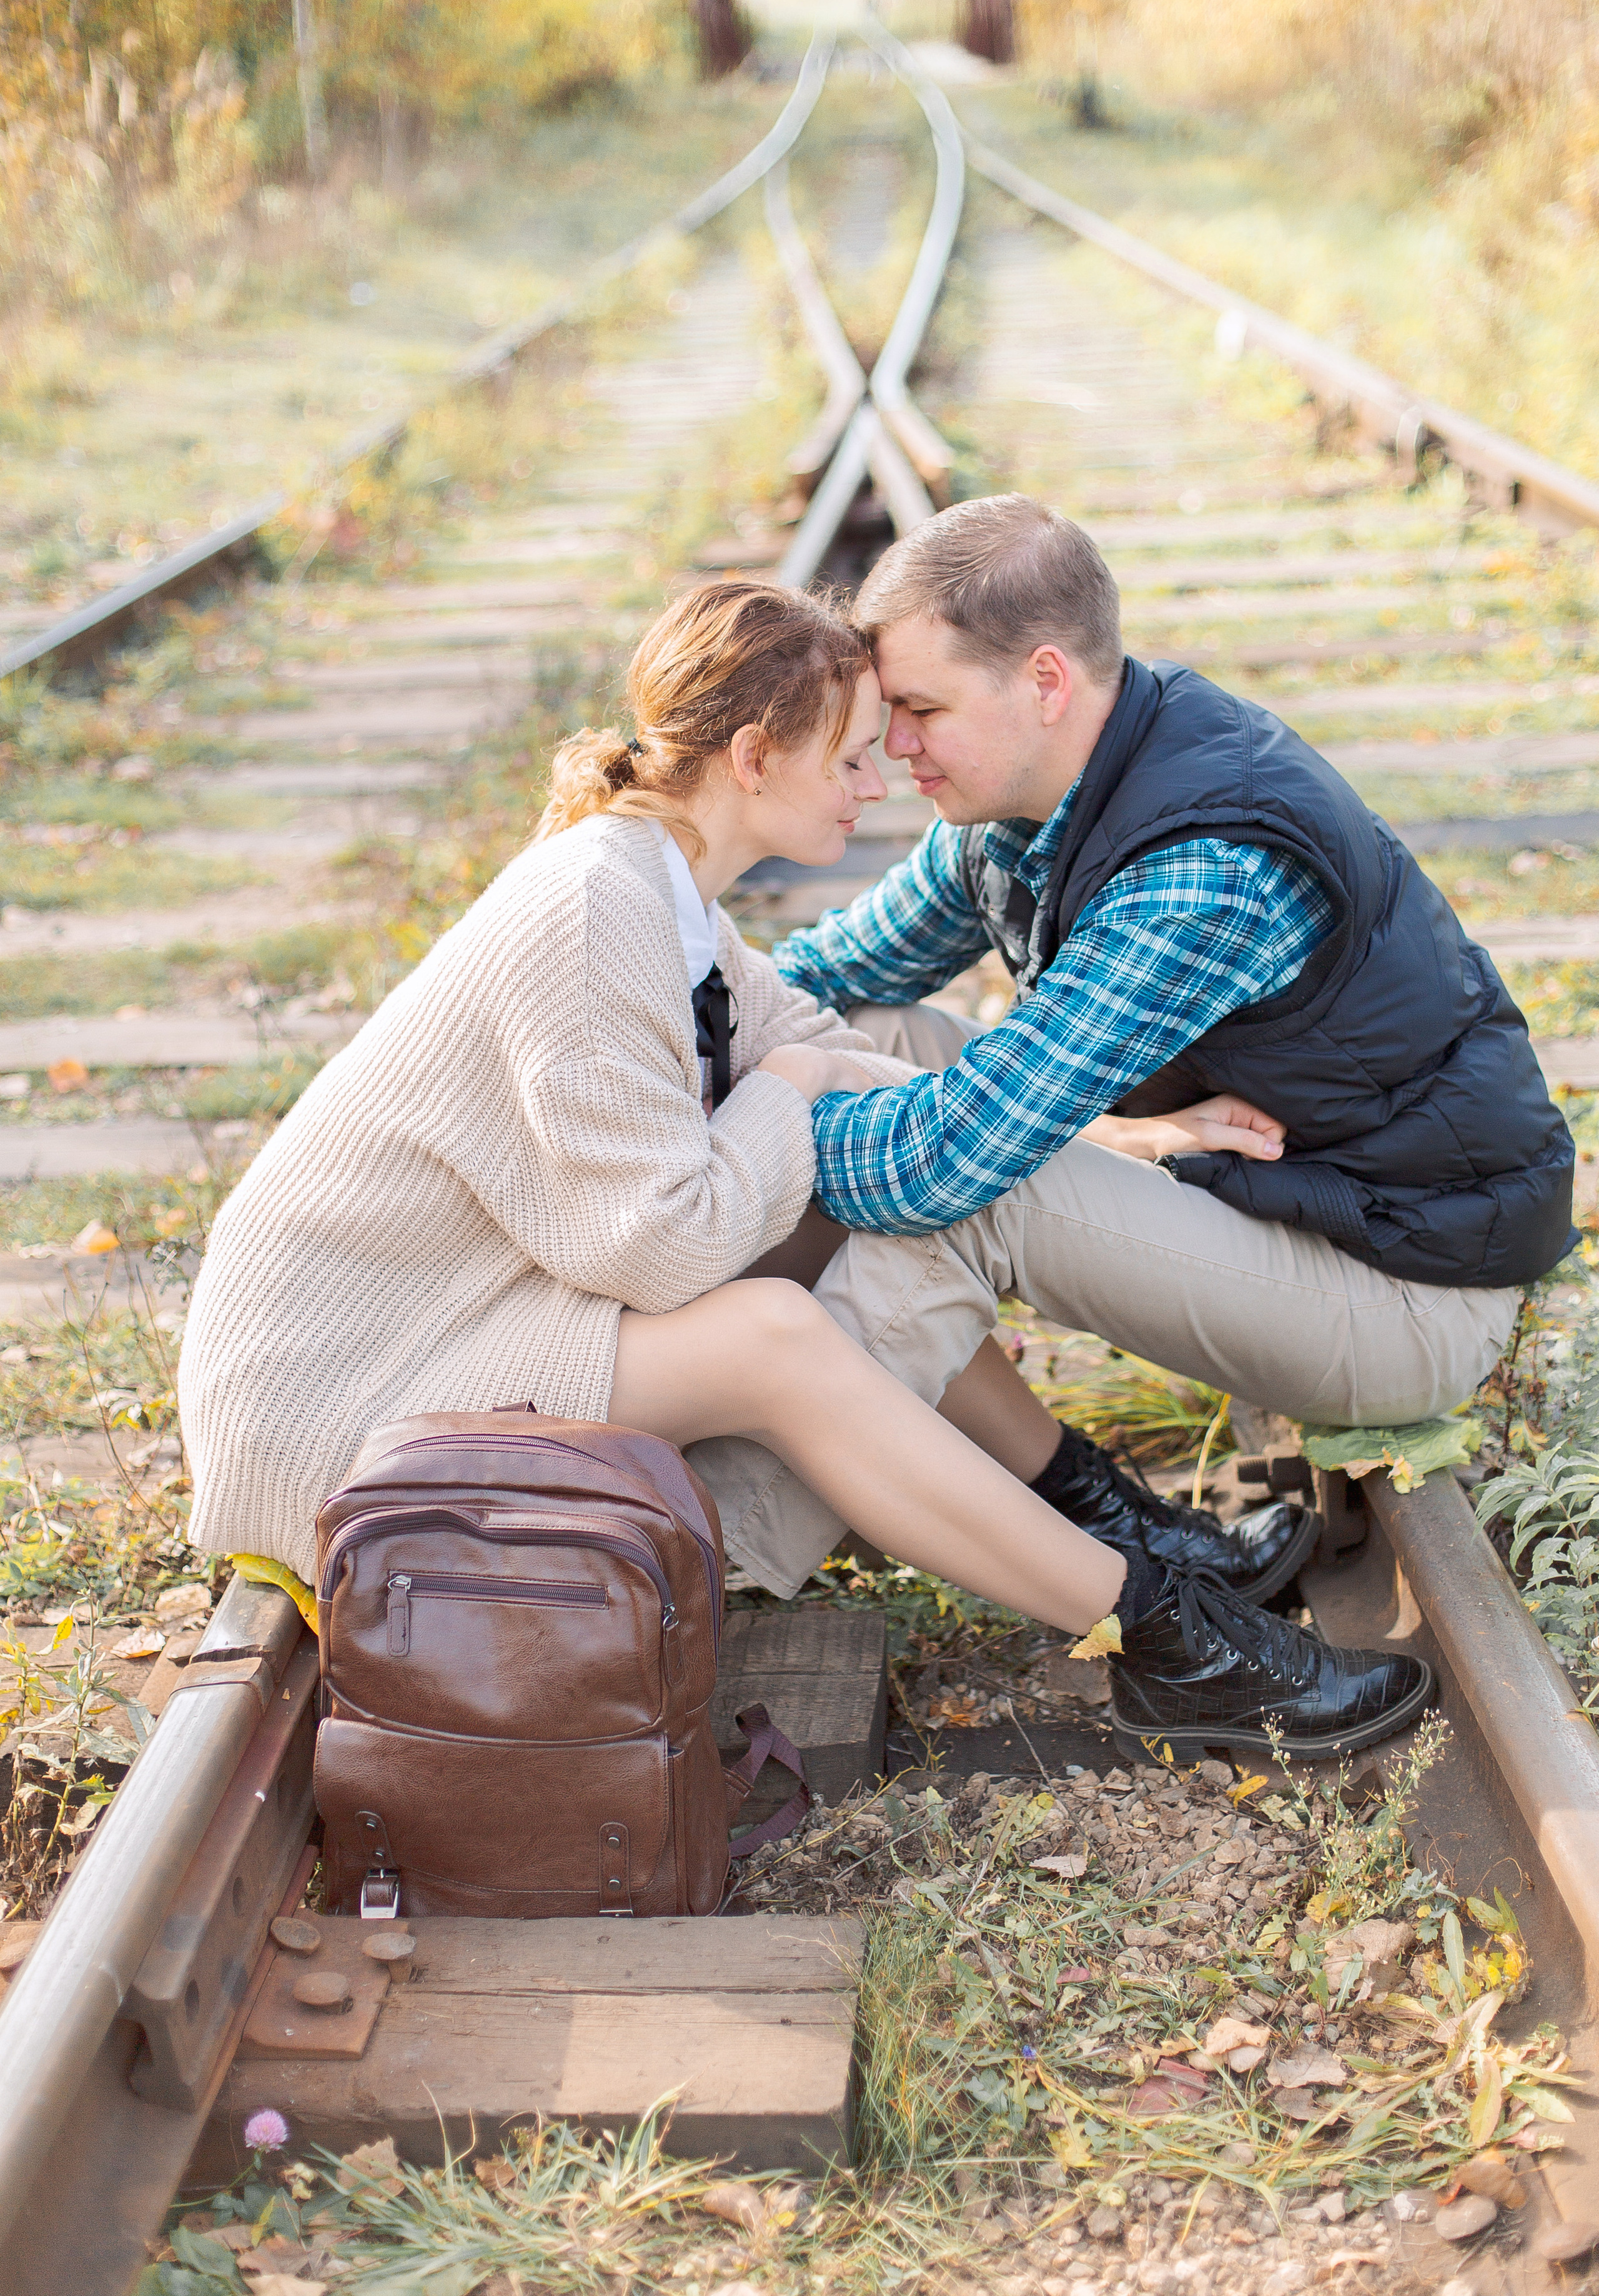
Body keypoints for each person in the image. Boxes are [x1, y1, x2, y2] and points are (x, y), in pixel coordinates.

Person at [178, 578, 1428, 1761]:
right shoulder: (588, 911)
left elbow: (831, 1056)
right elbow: (667, 1243)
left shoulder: (664, 894)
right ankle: (1163, 1637)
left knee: (879, 1200)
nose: (874, 784)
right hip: (339, 1402)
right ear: (753, 758)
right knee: (766, 1337)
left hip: (462, 1326)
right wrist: (786, 1092)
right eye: (846, 758)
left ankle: (1088, 1506)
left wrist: (1105, 1137)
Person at [681, 494, 1570, 1628]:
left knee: (970, 1193)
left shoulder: (1205, 861)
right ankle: (1062, 1493)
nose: (892, 747)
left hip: (1408, 1296)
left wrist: (735, 1151)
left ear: (1044, 681)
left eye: (918, 708)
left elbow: (945, 1168)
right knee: (878, 1048)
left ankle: (694, 1559)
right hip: (1290, 1207)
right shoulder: (1025, 801)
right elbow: (824, 977)